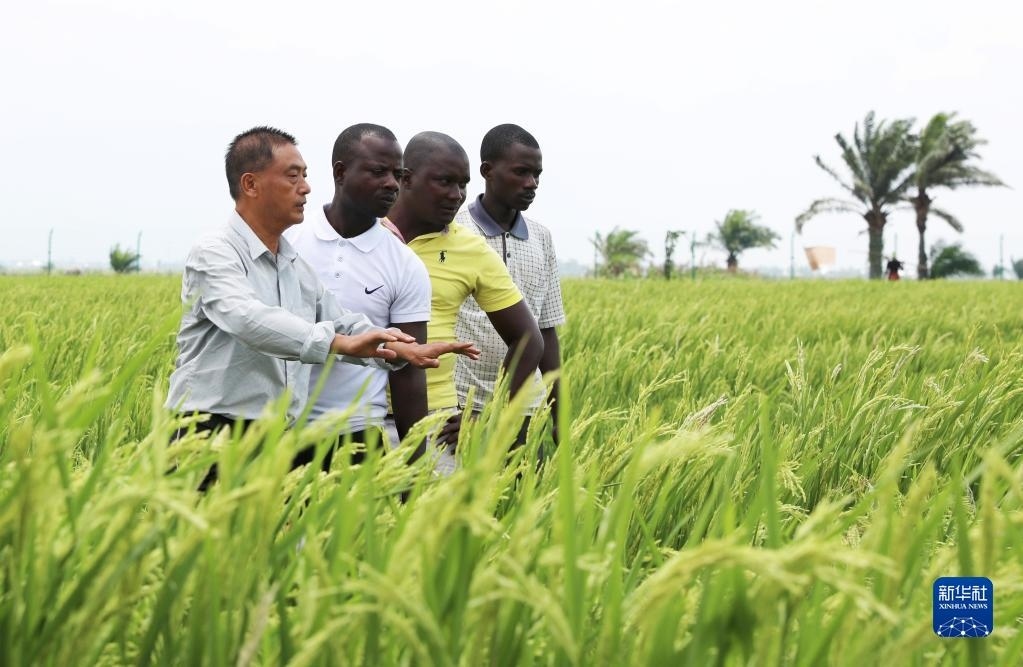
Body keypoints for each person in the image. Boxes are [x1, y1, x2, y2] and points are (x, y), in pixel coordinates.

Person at [166, 126, 463, 488]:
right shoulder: (215, 251)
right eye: (293, 176)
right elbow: (245, 318)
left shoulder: (291, 264)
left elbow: (343, 321)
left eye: (305, 176)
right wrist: (339, 342)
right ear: (251, 184)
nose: (306, 187)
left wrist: (398, 348)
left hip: (271, 439)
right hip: (207, 432)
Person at [285, 123, 479, 468]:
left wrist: (413, 469)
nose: (392, 183)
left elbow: (408, 372)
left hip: (357, 435)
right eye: (378, 172)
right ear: (340, 173)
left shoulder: (404, 263)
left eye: (397, 174)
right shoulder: (289, 242)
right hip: (278, 430)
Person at [384, 131, 544, 465]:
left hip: (435, 420)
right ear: (406, 178)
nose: (456, 195)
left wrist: (492, 413)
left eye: (463, 184)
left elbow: (529, 338)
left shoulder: (470, 249)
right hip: (358, 416)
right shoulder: (368, 237)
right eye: (444, 181)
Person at [454, 125, 566, 447]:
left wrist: (558, 413)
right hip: (463, 406)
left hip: (524, 408)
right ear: (487, 171)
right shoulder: (454, 229)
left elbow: (546, 331)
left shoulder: (541, 238)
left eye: (537, 174)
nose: (532, 183)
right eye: (521, 172)